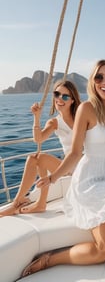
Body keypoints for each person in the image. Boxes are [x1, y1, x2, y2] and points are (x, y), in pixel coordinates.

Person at [21, 59, 105, 280]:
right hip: (90, 183)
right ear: (93, 82)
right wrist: (53, 178)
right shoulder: (87, 108)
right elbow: (75, 153)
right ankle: (50, 259)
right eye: (99, 77)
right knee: (102, 252)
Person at [0, 80, 81, 216]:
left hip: (85, 164)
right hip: (69, 167)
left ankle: (37, 203)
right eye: (57, 94)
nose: (60, 99)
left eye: (65, 96)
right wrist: (36, 118)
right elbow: (39, 139)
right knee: (34, 158)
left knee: (39, 159)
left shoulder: (82, 117)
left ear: (72, 100)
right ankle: (20, 202)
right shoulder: (55, 122)